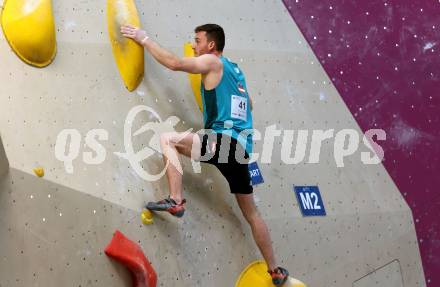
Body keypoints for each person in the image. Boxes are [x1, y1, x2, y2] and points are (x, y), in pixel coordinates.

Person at [121, 23, 289, 286]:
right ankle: (275, 270)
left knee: (168, 139)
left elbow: (175, 64)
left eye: (197, 40)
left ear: (211, 45)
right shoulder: (237, 71)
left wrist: (144, 39)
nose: (193, 45)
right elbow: (250, 105)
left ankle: (176, 199)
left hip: (221, 141)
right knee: (252, 213)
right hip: (241, 151)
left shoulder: (212, 61)